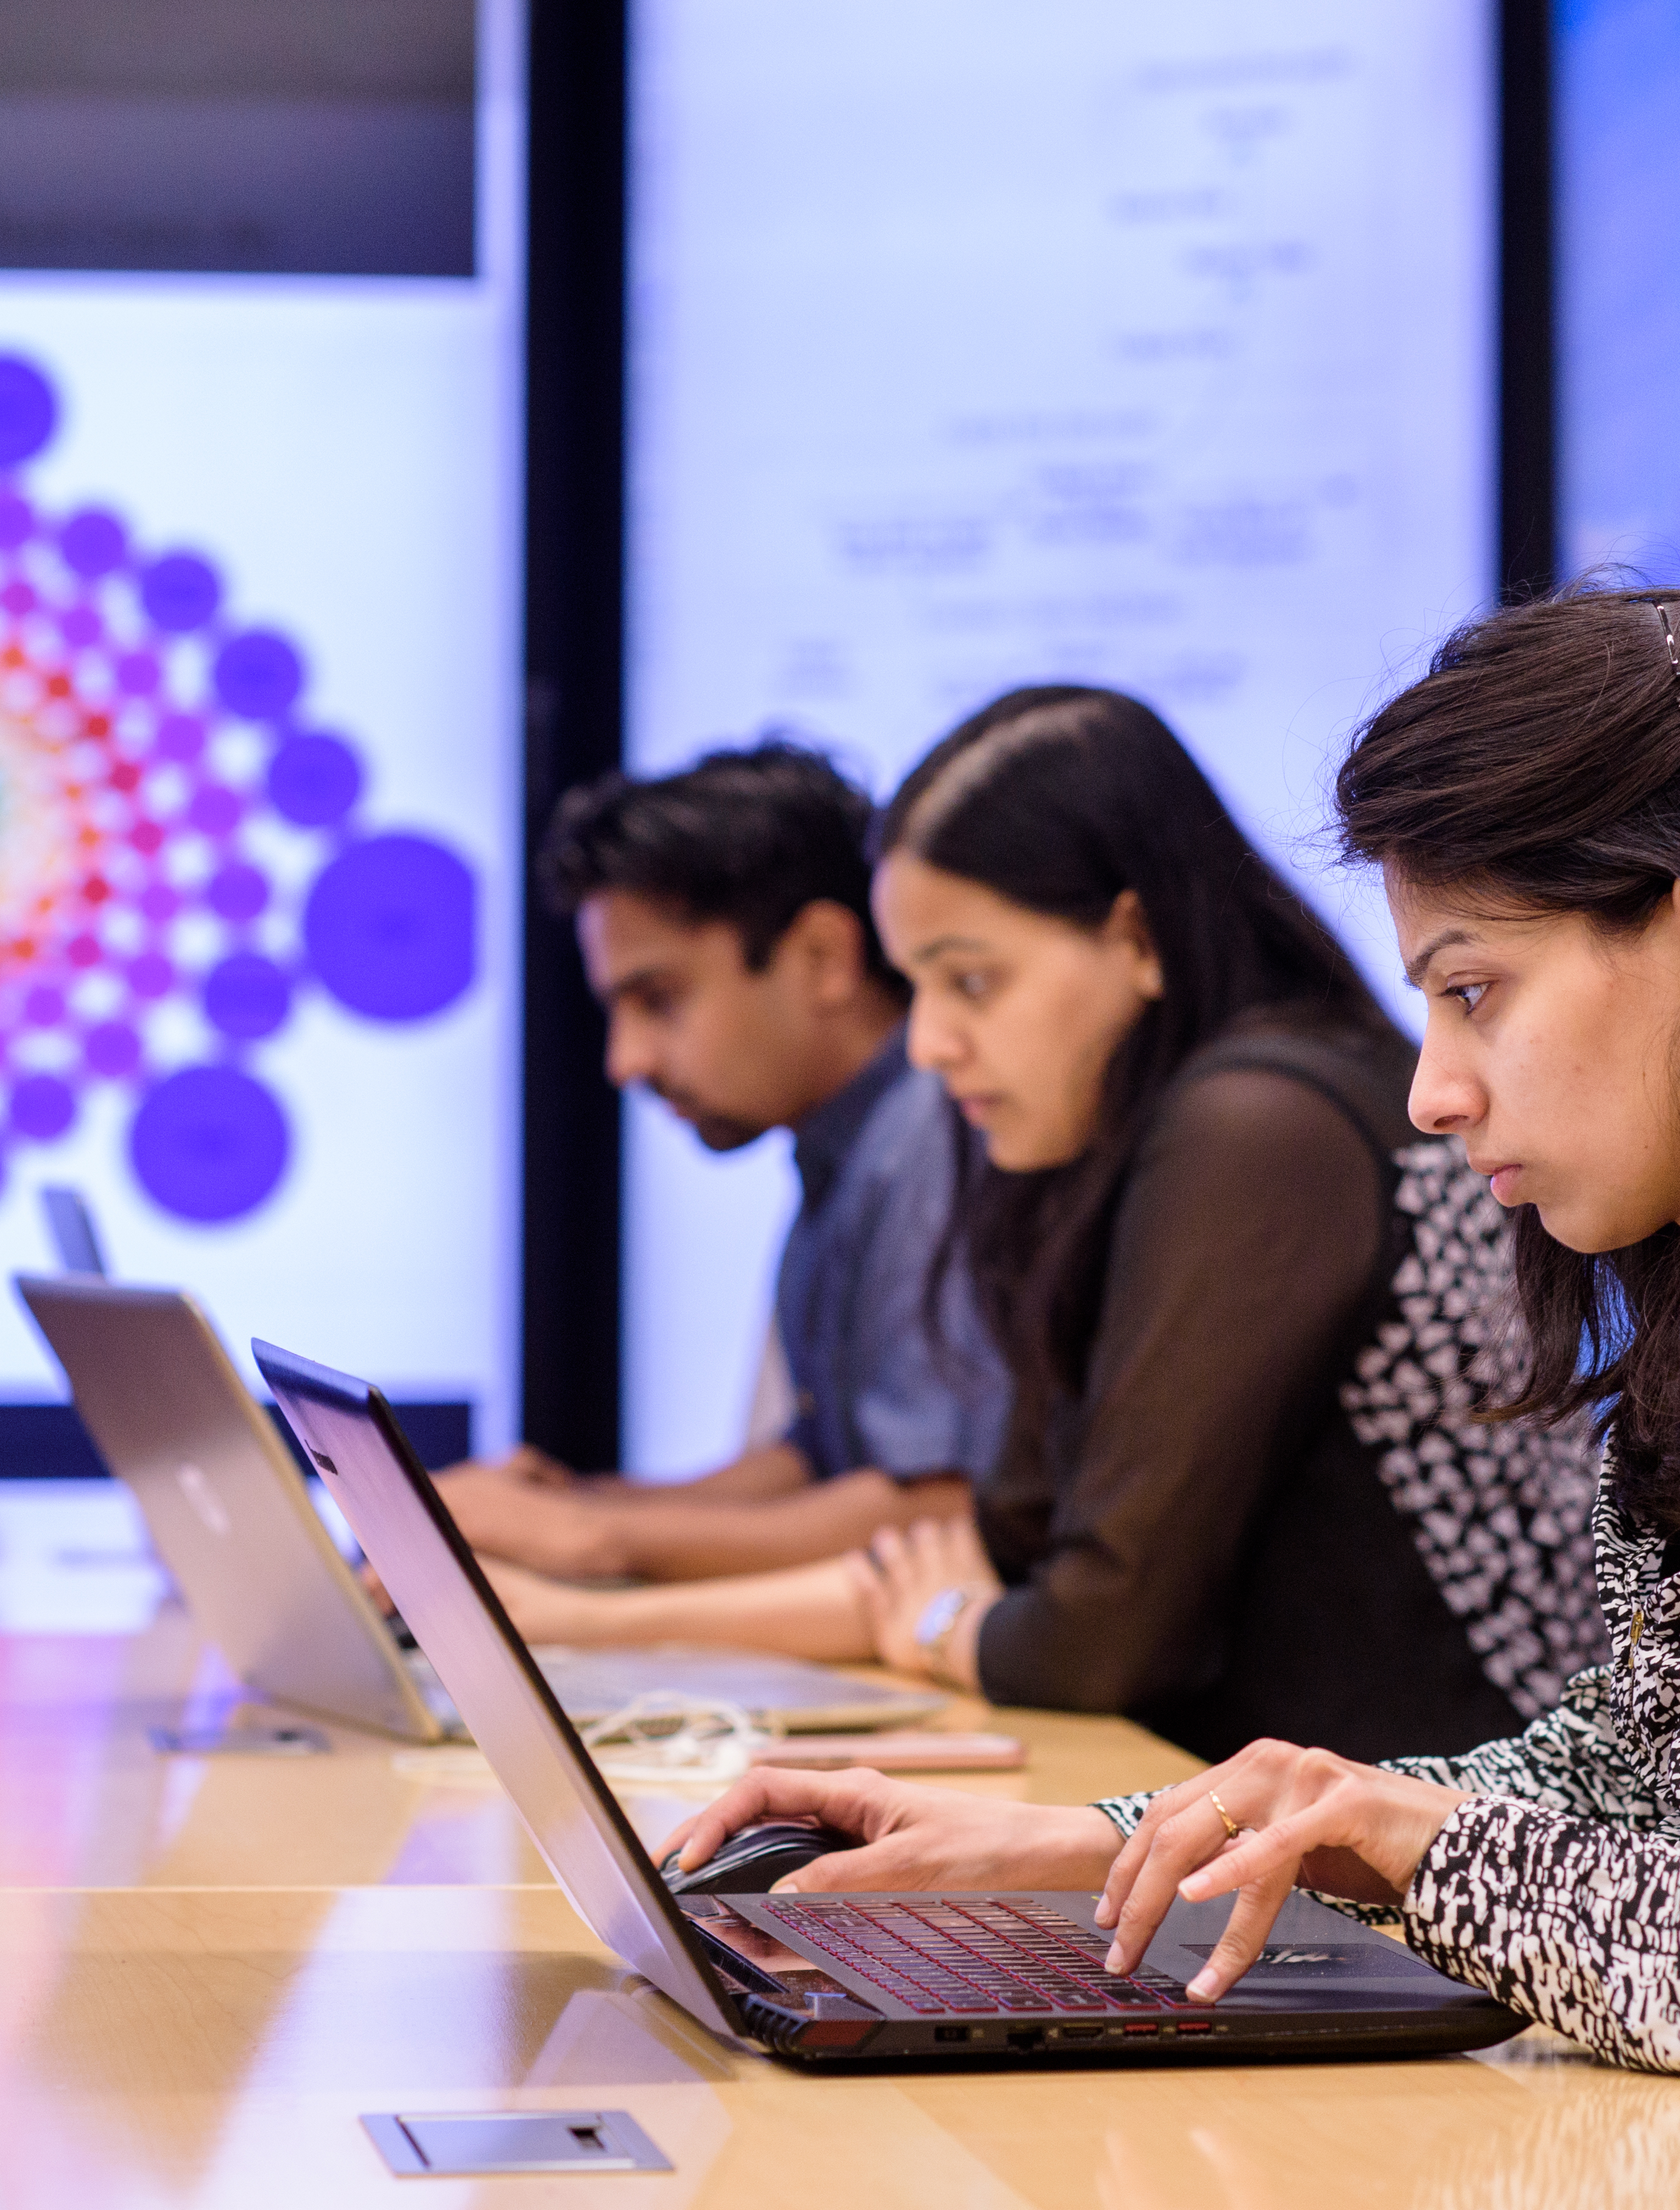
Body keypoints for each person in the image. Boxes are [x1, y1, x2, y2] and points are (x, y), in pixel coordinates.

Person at [659, 594, 1680, 2210]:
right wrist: (1087, 1840)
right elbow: (1634, 1775)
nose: (1433, 1089)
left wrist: (1435, 1855)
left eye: (1474, 992)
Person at [482, 686, 1606, 1764]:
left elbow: (1092, 1638)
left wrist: (934, 1625)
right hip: (1304, 1823)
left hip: (1461, 1847)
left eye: (970, 984)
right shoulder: (1110, 1138)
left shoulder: (1258, 1126)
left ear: (1135, 938)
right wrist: (569, 1621)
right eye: (918, 986)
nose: (926, 1044)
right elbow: (1001, 1544)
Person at [440, 744, 1008, 1582]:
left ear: (822, 958)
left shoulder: (936, 1133)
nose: (624, 1061)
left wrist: (593, 1539)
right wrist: (580, 1508)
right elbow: (817, 1469)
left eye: (658, 1000)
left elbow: (934, 1506)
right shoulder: (848, 1149)